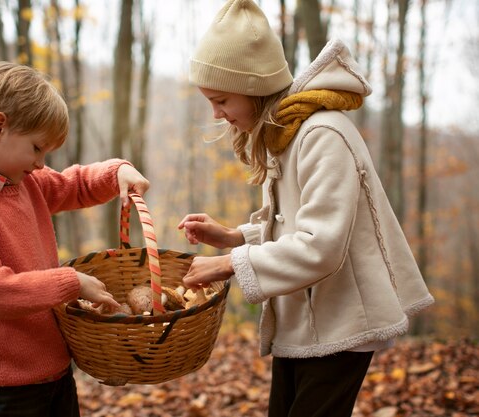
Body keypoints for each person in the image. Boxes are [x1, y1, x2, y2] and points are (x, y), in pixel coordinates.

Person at [177, 1, 434, 416]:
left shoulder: (322, 134)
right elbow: (295, 226)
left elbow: (321, 246)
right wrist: (234, 236)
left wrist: (228, 263)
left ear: (253, 87)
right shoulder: (288, 134)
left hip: (343, 318)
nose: (216, 114)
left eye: (221, 99)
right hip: (305, 316)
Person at [0, 62, 150, 417]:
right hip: (7, 388)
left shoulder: (21, 181)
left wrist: (116, 172)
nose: (39, 163)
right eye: (36, 148)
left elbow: (73, 185)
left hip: (56, 371)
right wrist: (71, 282)